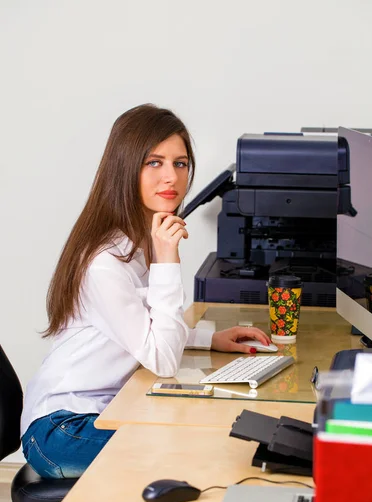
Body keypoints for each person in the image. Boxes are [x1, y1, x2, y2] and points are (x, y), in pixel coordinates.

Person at [21, 104, 271, 479]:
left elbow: (146, 327)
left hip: (106, 409)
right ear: (126, 169)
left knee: (204, 436)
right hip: (62, 429)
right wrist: (167, 259)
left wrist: (208, 338)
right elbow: (162, 358)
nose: (171, 176)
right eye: (154, 162)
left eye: (180, 163)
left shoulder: (133, 242)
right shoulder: (105, 261)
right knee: (198, 455)